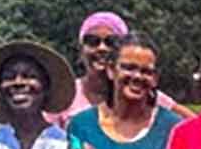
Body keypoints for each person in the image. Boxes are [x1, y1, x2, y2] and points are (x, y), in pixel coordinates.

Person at [45, 11, 191, 126]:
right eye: (92, 42)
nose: (101, 48)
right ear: (81, 49)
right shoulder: (65, 94)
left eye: (111, 42)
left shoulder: (144, 94)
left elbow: (193, 124)